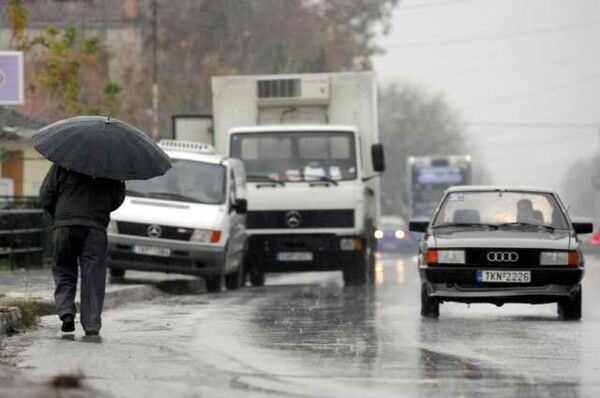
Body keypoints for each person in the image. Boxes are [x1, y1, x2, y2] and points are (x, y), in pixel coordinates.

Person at [40, 164, 125, 336]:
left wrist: (59, 215)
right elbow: (117, 199)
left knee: (64, 268)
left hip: (65, 226)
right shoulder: (111, 167)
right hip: (96, 228)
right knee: (93, 276)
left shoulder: (63, 164)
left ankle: (66, 314)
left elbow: (46, 196)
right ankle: (92, 324)